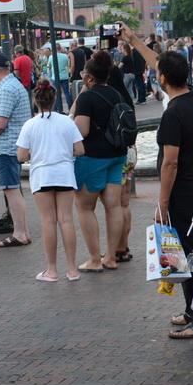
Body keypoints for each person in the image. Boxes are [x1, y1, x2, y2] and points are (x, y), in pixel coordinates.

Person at [126, 26, 193, 337]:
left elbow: (170, 162)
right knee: (189, 252)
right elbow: (160, 63)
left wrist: (162, 202)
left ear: (162, 79)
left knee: (187, 255)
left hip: (179, 193)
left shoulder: (173, 113)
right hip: (192, 188)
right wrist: (134, 41)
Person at [17, 82, 84, 282]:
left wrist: (35, 153)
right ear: (54, 99)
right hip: (64, 173)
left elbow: (21, 156)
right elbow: (80, 149)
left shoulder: (30, 125)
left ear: (35, 101)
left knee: (48, 221)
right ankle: (72, 269)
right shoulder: (66, 122)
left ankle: (52, 270)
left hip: (42, 175)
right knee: (66, 220)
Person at [72, 51, 132, 272]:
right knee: (113, 206)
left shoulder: (86, 98)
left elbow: (81, 130)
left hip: (93, 158)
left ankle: (95, 259)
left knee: (85, 208)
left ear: (89, 77)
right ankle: (111, 257)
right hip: (117, 155)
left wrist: (81, 95)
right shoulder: (116, 94)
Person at [0, 52, 32, 248]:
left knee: (11, 190)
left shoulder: (6, 88)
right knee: (14, 189)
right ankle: (23, 231)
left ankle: (20, 233)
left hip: (7, 146)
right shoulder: (14, 84)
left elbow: (1, 123)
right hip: (15, 145)